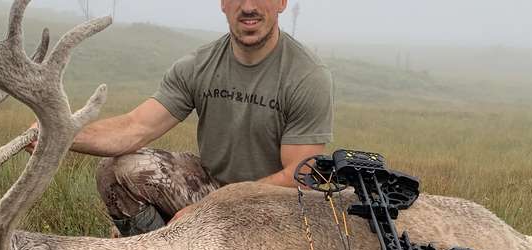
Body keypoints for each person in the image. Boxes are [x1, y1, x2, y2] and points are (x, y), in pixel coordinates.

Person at [28, 0, 334, 236]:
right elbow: (135, 127)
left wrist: (210, 210)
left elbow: (299, 176)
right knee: (115, 170)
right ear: (223, 4)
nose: (249, 7)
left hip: (272, 206)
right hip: (212, 185)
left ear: (282, 2)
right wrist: (59, 133)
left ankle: (186, 244)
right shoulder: (199, 65)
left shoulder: (306, 75)